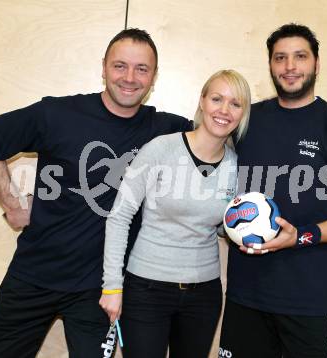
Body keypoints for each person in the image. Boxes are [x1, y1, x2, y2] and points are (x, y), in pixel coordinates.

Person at [0, 28, 191, 358]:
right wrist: (12, 204)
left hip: (99, 290)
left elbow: (220, 134)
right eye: (120, 66)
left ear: (154, 76)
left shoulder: (165, 129)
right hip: (33, 275)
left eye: (141, 69)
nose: (129, 77)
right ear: (103, 67)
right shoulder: (57, 114)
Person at [219, 23, 327, 358]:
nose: (290, 66)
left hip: (310, 299)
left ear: (316, 63)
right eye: (280, 58)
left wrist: (300, 236)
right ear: (270, 66)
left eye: (300, 56)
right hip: (245, 295)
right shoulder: (248, 122)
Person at [100, 69, 251, 358]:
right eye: (217, 99)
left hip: (203, 295)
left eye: (235, 103)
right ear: (202, 101)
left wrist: (241, 228)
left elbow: (219, 225)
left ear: (243, 113)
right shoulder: (161, 149)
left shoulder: (236, 167)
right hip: (146, 289)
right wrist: (112, 287)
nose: (224, 110)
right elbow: (120, 216)